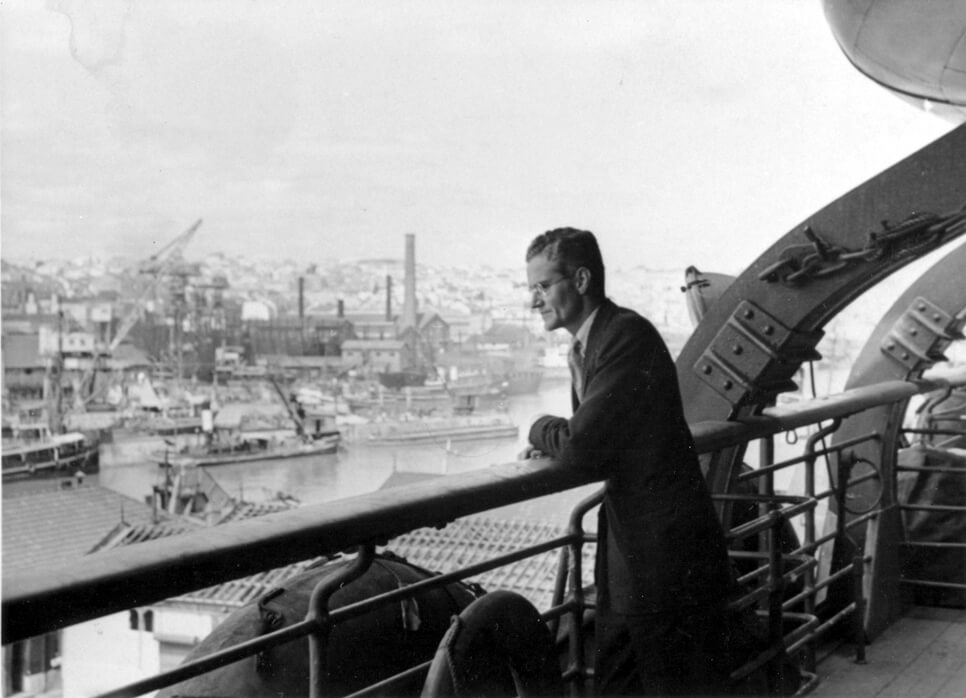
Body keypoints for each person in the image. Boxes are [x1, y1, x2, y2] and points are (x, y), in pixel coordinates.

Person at [521, 227, 734, 696]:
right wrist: (566, 438)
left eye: (542, 287)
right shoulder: (595, 342)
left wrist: (540, 428)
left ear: (579, 280)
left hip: (664, 564)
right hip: (634, 561)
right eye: (531, 289)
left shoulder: (625, 337)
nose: (533, 301)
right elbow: (596, 437)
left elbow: (582, 447)